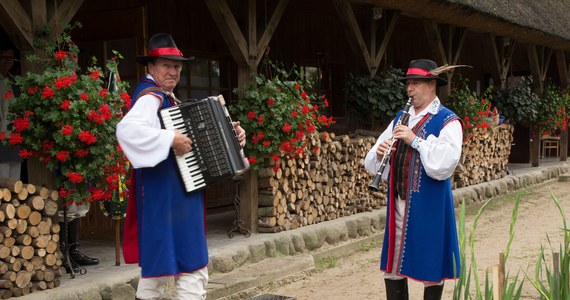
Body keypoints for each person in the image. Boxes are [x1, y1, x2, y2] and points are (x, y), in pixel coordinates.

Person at [116, 33, 246, 300]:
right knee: (192, 268)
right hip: (167, 200)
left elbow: (196, 139)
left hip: (172, 199)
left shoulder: (169, 99)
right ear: (150, 67)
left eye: (176, 66)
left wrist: (231, 135)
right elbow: (126, 131)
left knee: (160, 270)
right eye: (166, 65)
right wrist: (169, 139)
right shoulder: (150, 98)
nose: (172, 71)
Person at [364, 59, 463, 300]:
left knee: (430, 259)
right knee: (395, 260)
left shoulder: (448, 120)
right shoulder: (402, 116)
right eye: (408, 83)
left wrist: (414, 140)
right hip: (399, 201)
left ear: (432, 85)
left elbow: (445, 163)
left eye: (415, 83)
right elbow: (375, 153)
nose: (410, 89)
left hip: (429, 204)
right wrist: (379, 153)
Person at [57, 45, 100, 274]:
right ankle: (63, 250)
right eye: (69, 56)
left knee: (80, 203)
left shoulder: (84, 87)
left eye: (75, 56)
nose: (72, 60)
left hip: (83, 154)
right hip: (65, 153)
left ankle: (74, 250)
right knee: (66, 206)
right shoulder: (56, 85)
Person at [0, 47, 23, 179]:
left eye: (10, 58)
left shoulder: (14, 80)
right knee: (3, 178)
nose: (7, 61)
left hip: (15, 133)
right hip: (2, 134)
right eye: (4, 57)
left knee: (15, 179)